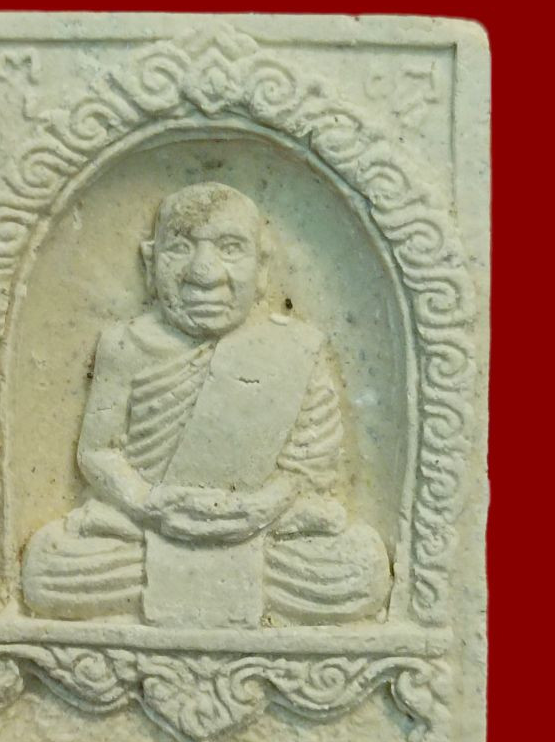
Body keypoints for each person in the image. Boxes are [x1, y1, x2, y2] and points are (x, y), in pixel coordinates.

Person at [22, 183, 389, 624]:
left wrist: (260, 509)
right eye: (180, 248)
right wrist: (148, 503)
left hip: (261, 531)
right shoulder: (124, 345)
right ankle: (204, 584)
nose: (204, 272)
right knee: (48, 563)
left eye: (230, 248)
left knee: (361, 565)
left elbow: (308, 467)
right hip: (149, 528)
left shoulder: (298, 349)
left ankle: (199, 585)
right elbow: (98, 453)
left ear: (262, 267)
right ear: (150, 262)